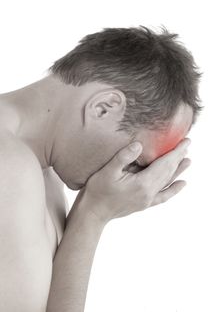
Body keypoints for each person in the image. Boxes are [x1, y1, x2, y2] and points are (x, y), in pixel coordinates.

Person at [0, 25, 202, 311]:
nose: (126, 177)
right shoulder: (9, 168)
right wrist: (94, 214)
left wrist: (91, 214)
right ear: (103, 107)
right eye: (135, 161)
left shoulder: (43, 174)